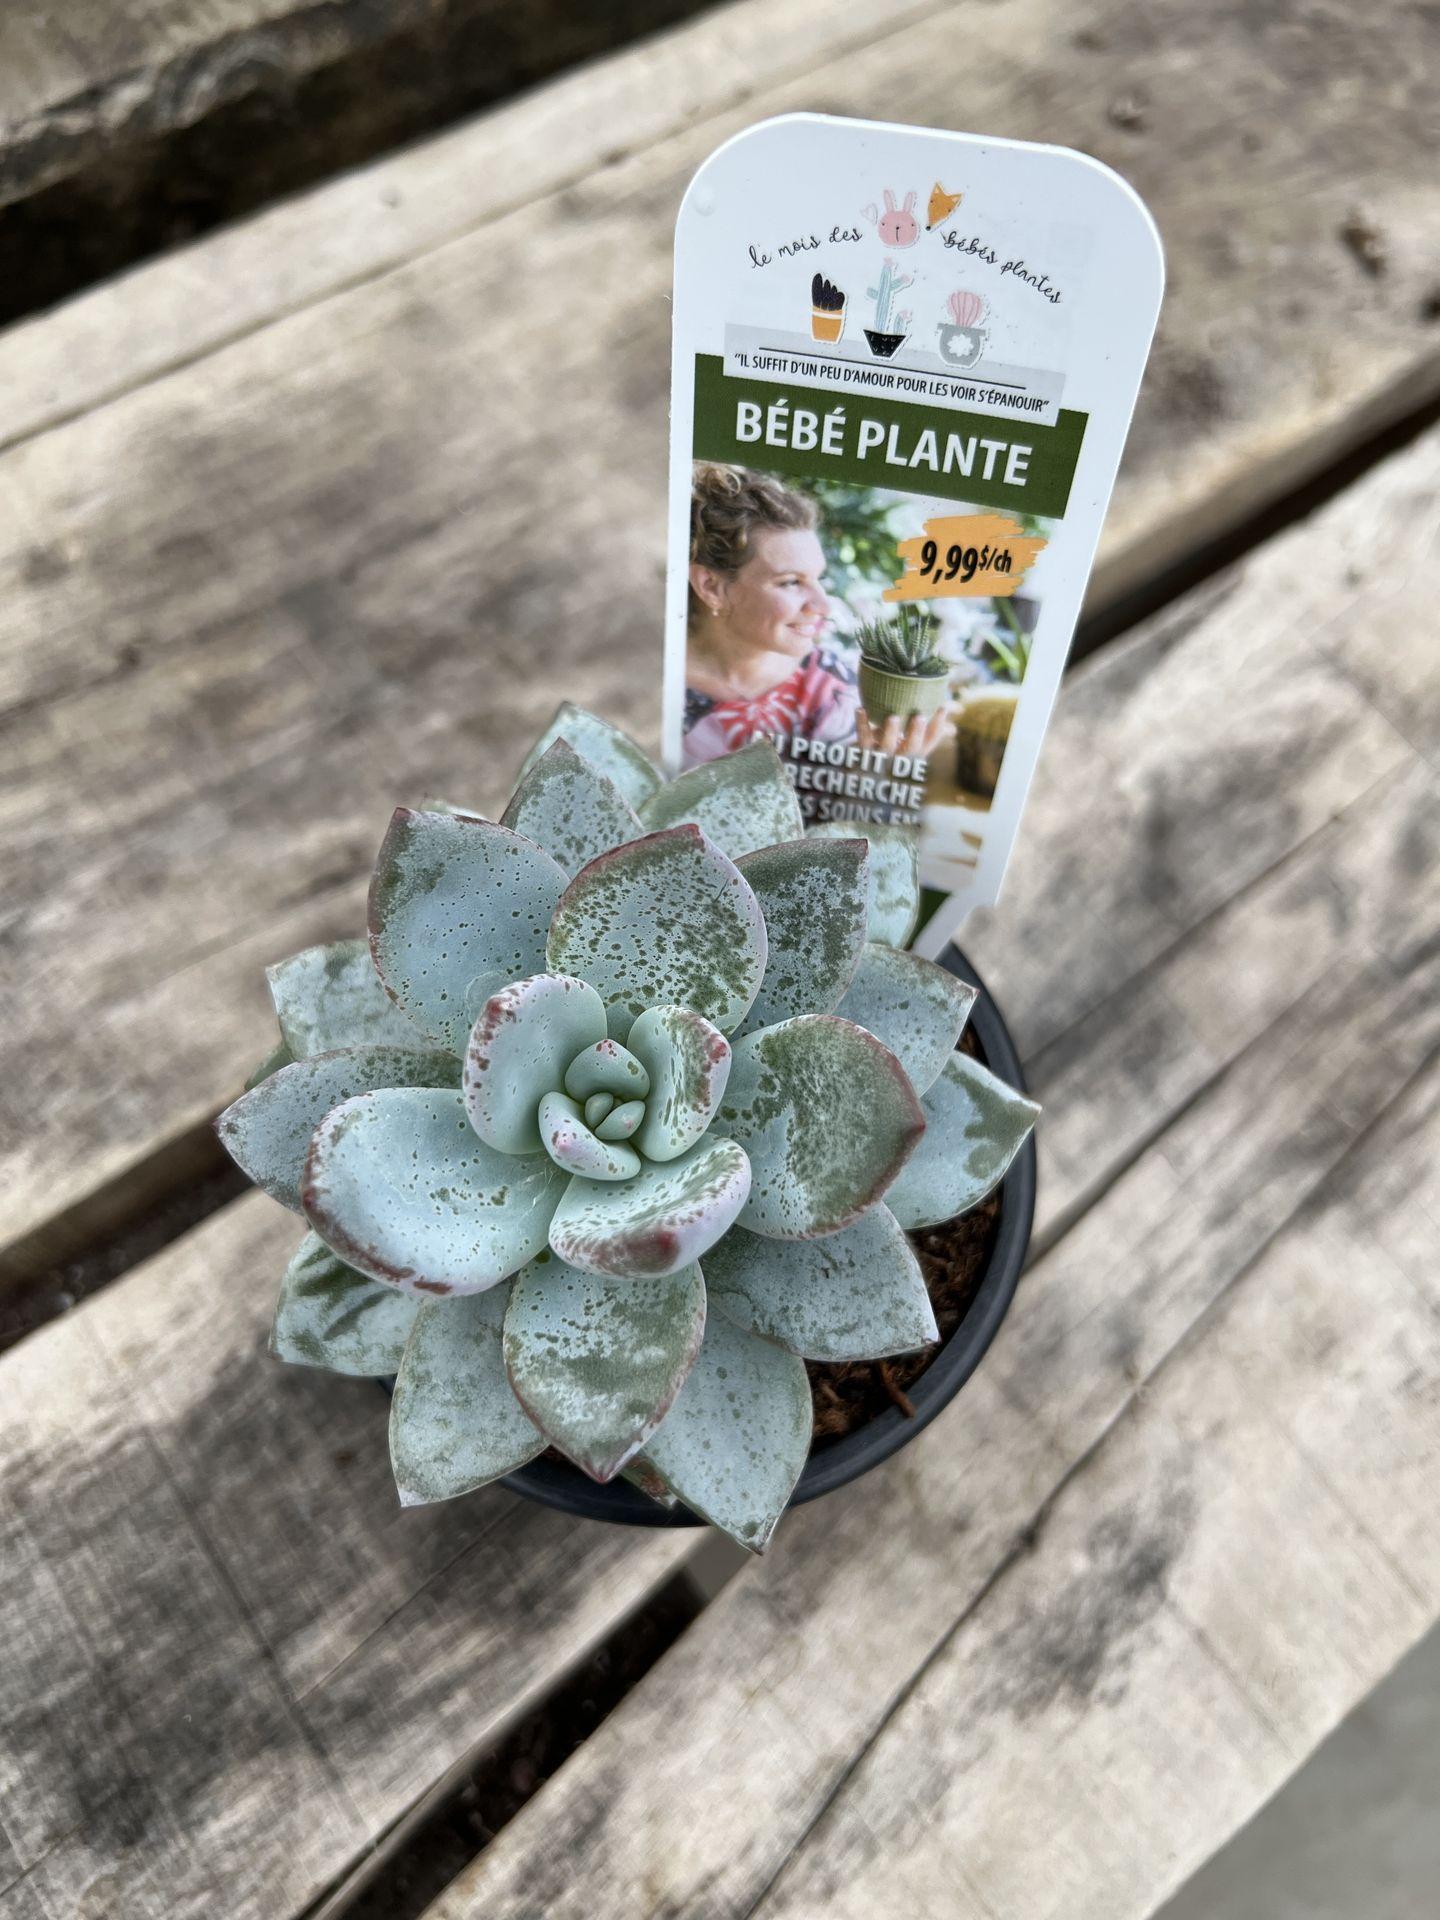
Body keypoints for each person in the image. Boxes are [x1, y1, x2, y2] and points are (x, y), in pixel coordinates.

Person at [683, 464, 951, 765]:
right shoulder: (652, 682)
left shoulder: (835, 689)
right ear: (711, 587)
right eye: (791, 582)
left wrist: (871, 779)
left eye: (818, 578)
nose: (823, 606)